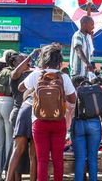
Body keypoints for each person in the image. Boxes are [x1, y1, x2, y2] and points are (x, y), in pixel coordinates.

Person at [19, 43, 76, 181]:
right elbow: (73, 99)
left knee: (42, 160)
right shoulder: (63, 77)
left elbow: (21, 88)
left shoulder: (37, 74)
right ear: (59, 60)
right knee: (57, 159)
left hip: (39, 121)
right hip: (58, 121)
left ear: (43, 59)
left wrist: (35, 89)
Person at [6, 51, 38, 181]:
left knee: (30, 153)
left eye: (26, 59)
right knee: (18, 150)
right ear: (15, 63)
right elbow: (16, 72)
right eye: (22, 59)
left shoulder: (31, 74)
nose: (26, 61)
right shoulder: (15, 76)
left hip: (33, 113)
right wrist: (30, 56)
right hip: (20, 113)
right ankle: (15, 178)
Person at [0, 50, 19, 181]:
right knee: (10, 140)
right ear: (13, 61)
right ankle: (8, 173)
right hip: (9, 102)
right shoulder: (15, 72)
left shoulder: (1, 71)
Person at [70, 76, 102, 181]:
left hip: (78, 124)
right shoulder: (94, 92)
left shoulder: (73, 94)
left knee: (80, 159)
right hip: (94, 123)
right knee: (93, 158)